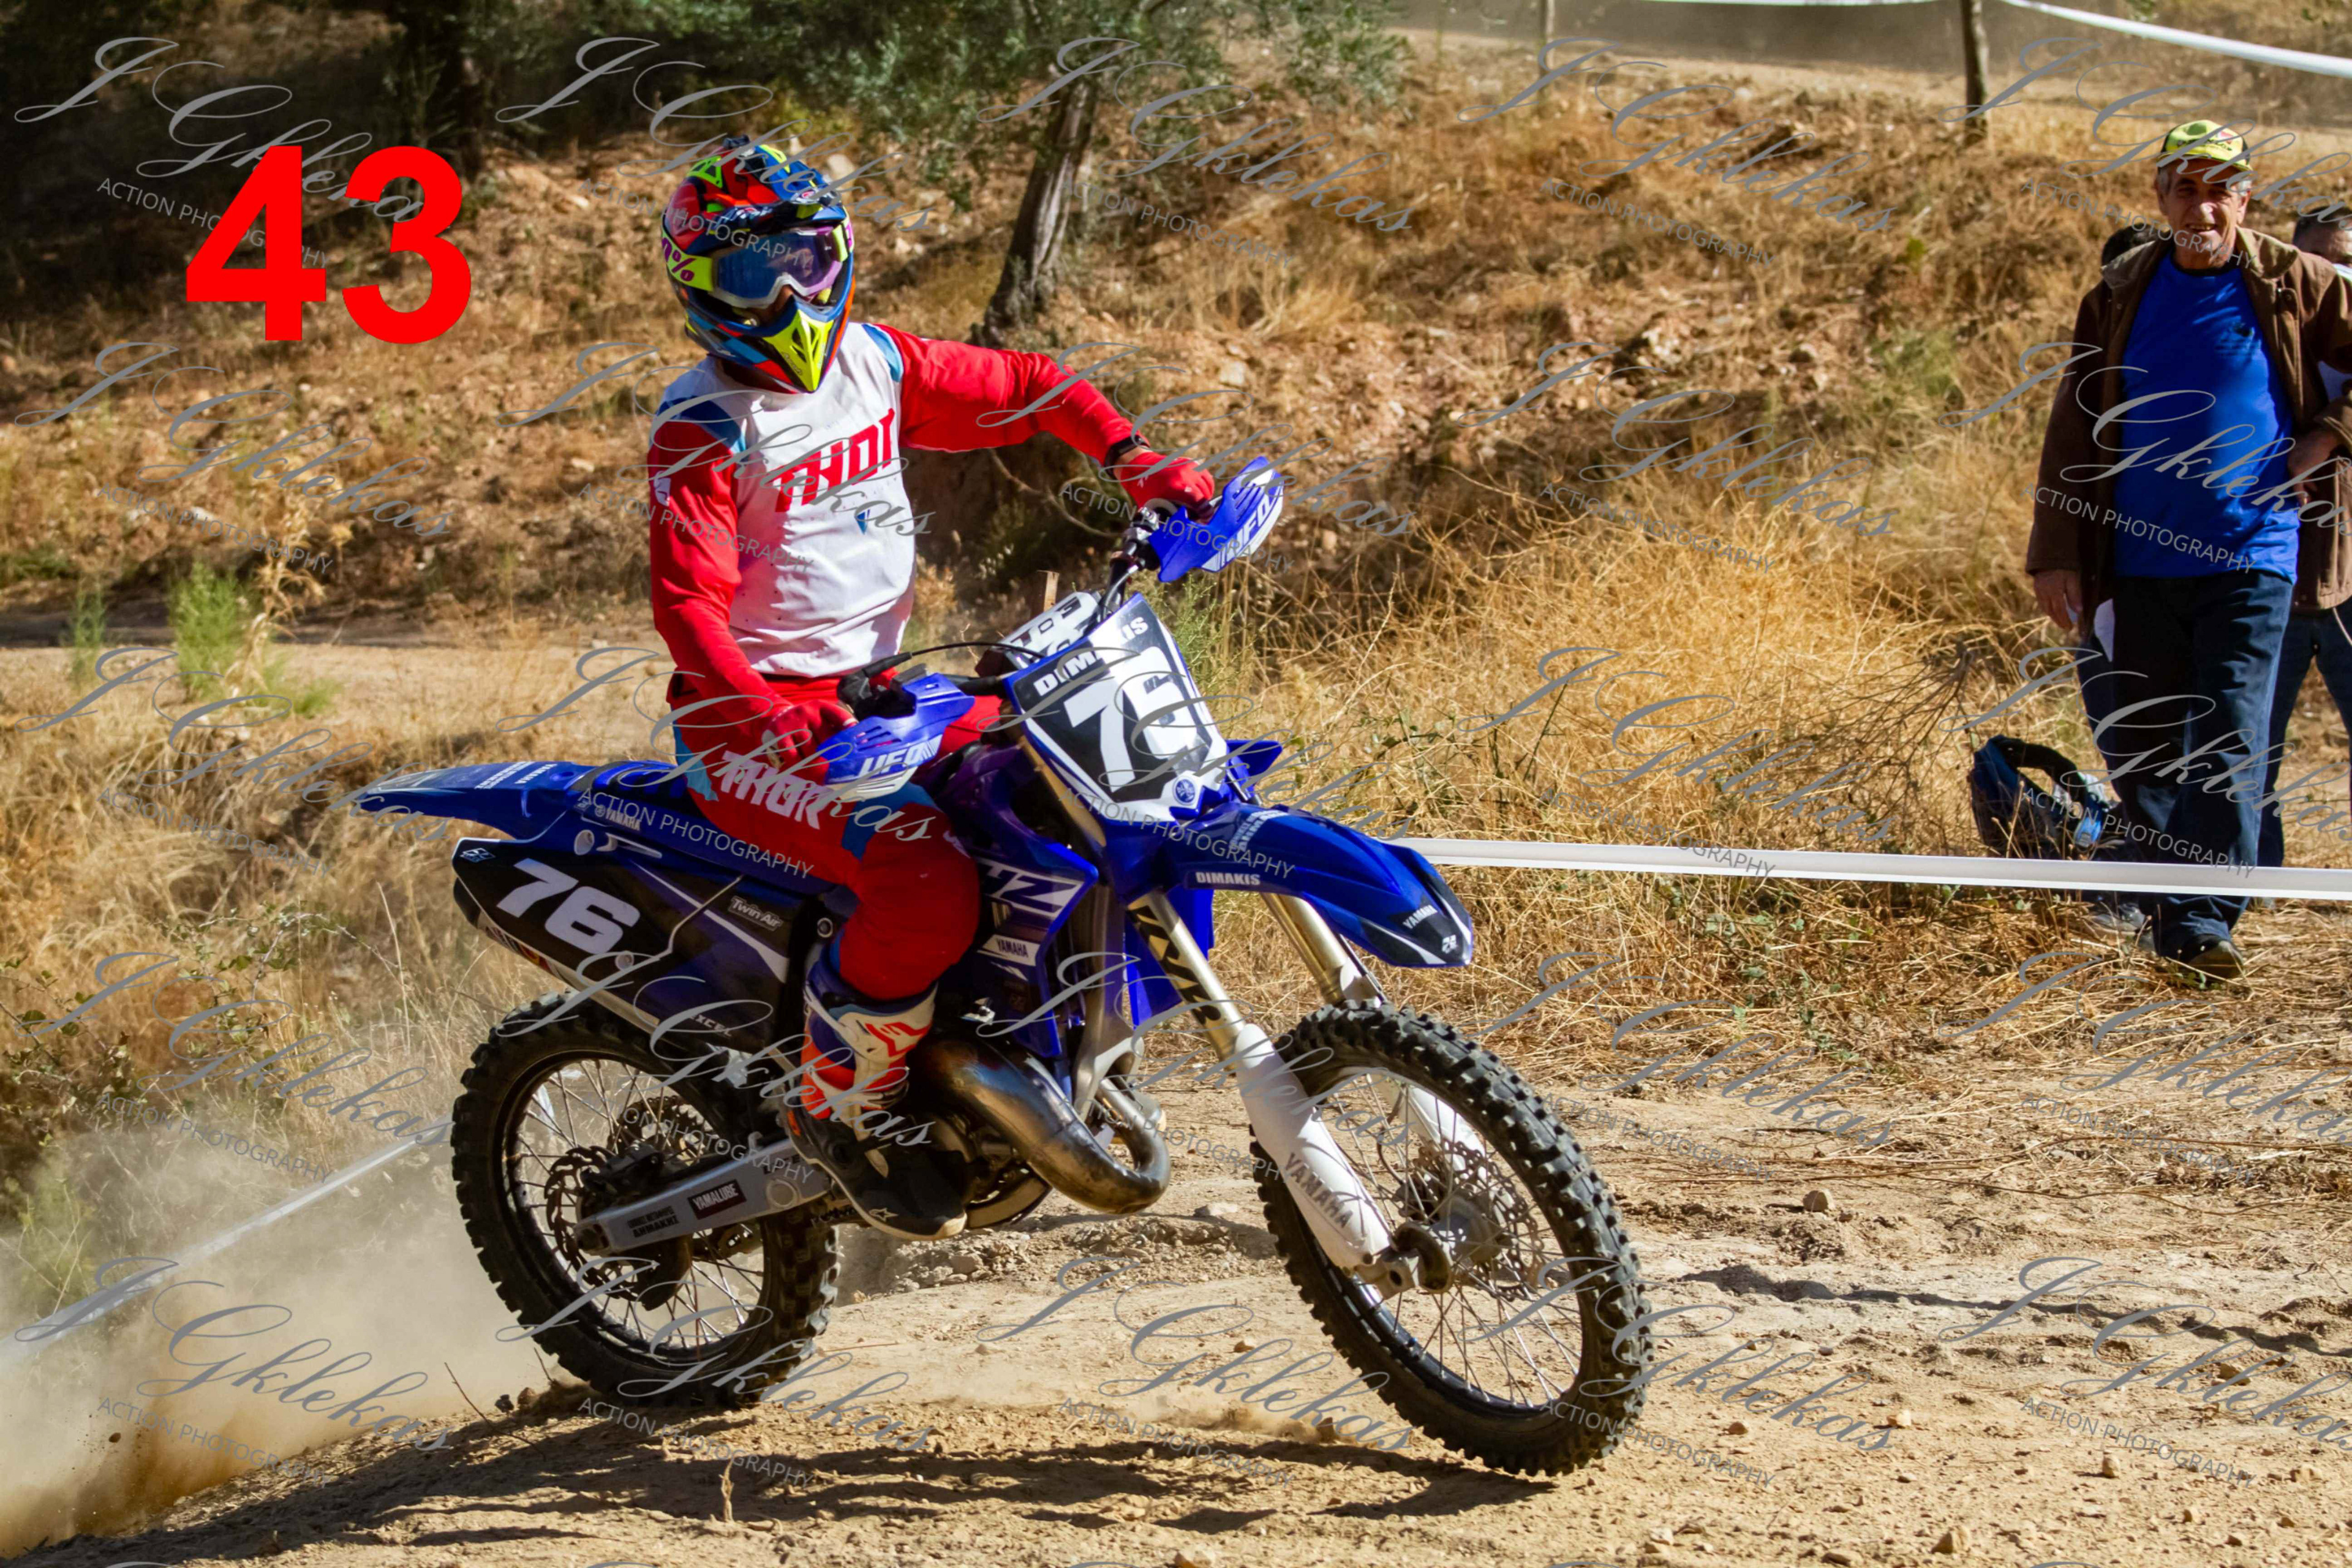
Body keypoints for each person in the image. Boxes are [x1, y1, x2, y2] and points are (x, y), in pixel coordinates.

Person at [643, 138, 1215, 1238]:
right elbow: (689, 607)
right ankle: (843, 1111)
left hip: (882, 700)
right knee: (924, 884)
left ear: (840, 254)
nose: (790, 295)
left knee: (1062, 783)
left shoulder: (875, 363)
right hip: (748, 730)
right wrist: (766, 713)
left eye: (806, 262)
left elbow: (1034, 388)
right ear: (702, 289)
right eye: (755, 275)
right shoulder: (705, 424)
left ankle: (1010, 1043)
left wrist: (1134, 458)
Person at [2026, 121, 2352, 980]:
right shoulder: (2121, 290)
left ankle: (2204, 921)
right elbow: (2073, 425)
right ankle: (2174, 916)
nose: (2202, 209)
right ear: (2160, 196)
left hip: (2253, 551)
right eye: (2186, 190)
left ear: (2246, 197)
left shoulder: (2297, 280)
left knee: (2229, 736)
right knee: (2147, 745)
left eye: (2220, 191)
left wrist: (2325, 438)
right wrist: (2055, 551)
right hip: (2137, 558)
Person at [2259, 211, 2352, 869]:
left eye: (2346, 261)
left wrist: (2329, 433)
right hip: (2269, 568)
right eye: (2319, 259)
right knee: (2247, 739)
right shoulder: (2269, 334)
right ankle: (2248, 877)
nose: (2334, 274)